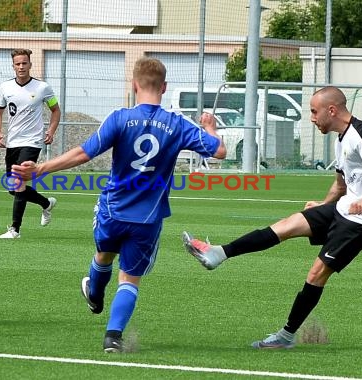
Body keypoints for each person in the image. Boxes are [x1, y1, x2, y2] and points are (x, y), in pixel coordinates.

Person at [12, 57, 226, 352]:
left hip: (113, 210)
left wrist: (41, 169)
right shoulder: (176, 124)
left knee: (104, 255)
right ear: (164, 87)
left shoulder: (120, 118)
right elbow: (220, 152)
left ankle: (95, 294)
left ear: (135, 84)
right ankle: (113, 337)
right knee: (130, 278)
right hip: (148, 218)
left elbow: (83, 153)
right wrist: (210, 127)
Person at [183, 86, 362, 349]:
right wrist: (322, 205)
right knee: (287, 225)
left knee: (317, 274)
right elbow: (341, 184)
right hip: (343, 208)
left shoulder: (361, 134)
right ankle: (219, 253)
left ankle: (286, 336)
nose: (312, 118)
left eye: (315, 112)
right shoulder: (342, 137)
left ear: (332, 110)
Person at [0, 48, 61, 239]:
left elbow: (56, 110)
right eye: (18, 63)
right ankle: (46, 204)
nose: (21, 66)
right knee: (13, 189)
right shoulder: (5, 87)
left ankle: (15, 229)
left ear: (30, 64)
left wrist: (51, 130)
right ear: (13, 66)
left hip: (32, 141)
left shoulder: (42, 88)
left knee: (18, 180)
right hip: (13, 142)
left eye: (24, 63)